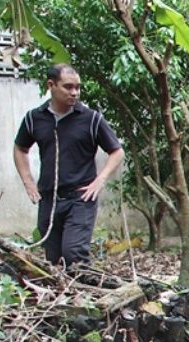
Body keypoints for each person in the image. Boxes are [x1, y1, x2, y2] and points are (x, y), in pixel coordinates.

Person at [13, 64, 124, 269]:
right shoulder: (34, 118)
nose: (74, 92)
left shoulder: (91, 119)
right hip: (49, 198)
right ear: (51, 85)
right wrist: (28, 181)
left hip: (81, 198)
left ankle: (86, 287)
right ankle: (66, 289)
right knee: (53, 259)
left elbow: (117, 152)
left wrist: (100, 180)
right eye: (68, 87)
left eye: (77, 87)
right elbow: (20, 148)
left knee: (74, 254)